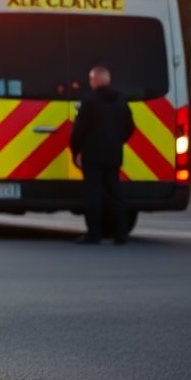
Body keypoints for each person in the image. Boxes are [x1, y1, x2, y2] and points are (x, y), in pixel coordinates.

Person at [69, 66, 135, 245]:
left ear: (94, 81)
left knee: (93, 194)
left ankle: (94, 234)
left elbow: (79, 130)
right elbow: (130, 127)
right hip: (113, 154)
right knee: (116, 194)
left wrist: (76, 151)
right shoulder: (121, 101)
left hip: (92, 155)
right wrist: (117, 141)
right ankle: (121, 234)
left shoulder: (89, 101)